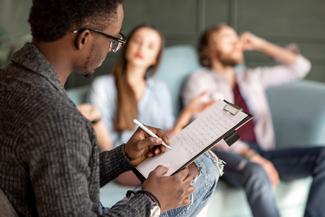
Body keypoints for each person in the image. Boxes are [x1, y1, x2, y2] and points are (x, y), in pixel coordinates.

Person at [0, 1, 217, 217]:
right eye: (113, 41)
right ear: (84, 39)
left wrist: (123, 156)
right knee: (204, 166)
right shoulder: (60, 120)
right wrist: (152, 199)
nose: (112, 49)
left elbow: (60, 181)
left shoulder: (10, 82)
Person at [182, 24, 325, 217]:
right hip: (223, 155)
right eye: (227, 38)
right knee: (256, 172)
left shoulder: (251, 78)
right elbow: (212, 132)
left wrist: (260, 44)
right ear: (210, 47)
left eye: (236, 38)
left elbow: (300, 67)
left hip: (263, 151)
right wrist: (250, 155)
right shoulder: (199, 81)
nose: (236, 42)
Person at [88, 24, 220, 187]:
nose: (142, 48)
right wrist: (95, 121)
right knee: (179, 179)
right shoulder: (103, 86)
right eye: (137, 41)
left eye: (150, 46)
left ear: (155, 58)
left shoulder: (159, 89)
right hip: (124, 165)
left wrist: (188, 112)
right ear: (127, 46)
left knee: (200, 169)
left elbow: (167, 138)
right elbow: (107, 150)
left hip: (155, 158)